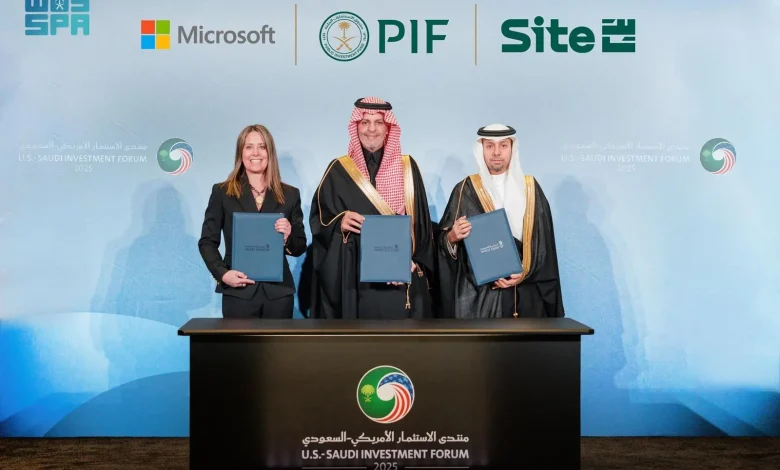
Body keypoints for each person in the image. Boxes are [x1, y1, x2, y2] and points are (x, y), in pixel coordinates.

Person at [308, 97, 435, 319]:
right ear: (356, 126)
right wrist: (340, 223)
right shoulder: (338, 170)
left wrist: (411, 261)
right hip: (355, 281)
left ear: (388, 128)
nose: (372, 129)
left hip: (400, 277)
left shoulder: (407, 168)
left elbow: (422, 226)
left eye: (378, 122)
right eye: (365, 122)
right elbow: (319, 221)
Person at [436, 124, 564, 318]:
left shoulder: (530, 189)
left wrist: (525, 272)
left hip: (526, 294)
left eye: (503, 145)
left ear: (512, 148)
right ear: (481, 149)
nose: (496, 152)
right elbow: (441, 244)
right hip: (481, 298)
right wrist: (452, 237)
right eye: (489, 146)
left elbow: (545, 248)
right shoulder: (465, 189)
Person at [198, 124, 307, 318]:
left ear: (270, 152)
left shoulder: (290, 194)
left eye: (262, 147)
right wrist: (223, 274)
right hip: (238, 292)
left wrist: (288, 237)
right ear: (241, 153)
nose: (255, 153)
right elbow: (207, 241)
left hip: (278, 294)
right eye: (249, 147)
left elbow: (299, 247)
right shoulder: (222, 192)